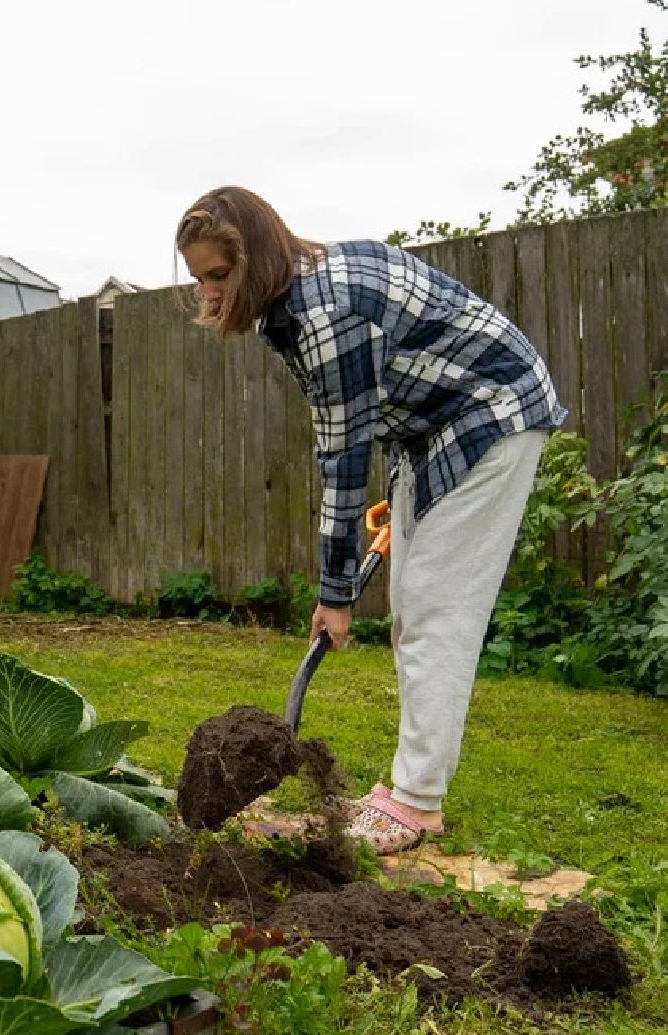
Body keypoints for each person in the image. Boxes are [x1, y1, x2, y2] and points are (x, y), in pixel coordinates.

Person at [175, 186, 567, 854]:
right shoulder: (295, 300)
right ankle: (407, 794)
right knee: (419, 613)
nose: (209, 295)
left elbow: (341, 453)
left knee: (435, 615)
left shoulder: (322, 314)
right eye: (199, 279)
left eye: (219, 275)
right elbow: (379, 401)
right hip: (432, 434)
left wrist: (335, 596)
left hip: (490, 416)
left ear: (258, 256)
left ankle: (415, 804)